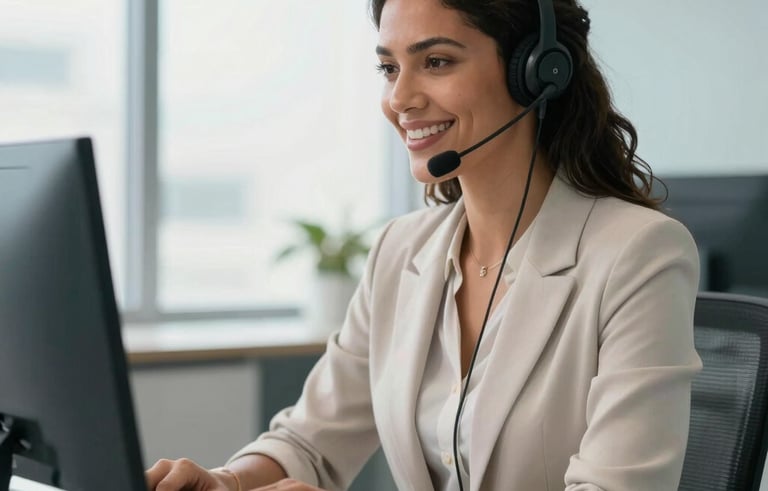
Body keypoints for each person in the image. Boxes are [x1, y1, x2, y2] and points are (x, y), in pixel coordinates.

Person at [146, 0, 702, 489]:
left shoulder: (639, 254)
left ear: (535, 72)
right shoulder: (400, 251)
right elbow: (311, 443)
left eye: (436, 62)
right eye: (389, 68)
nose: (400, 99)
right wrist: (229, 484)